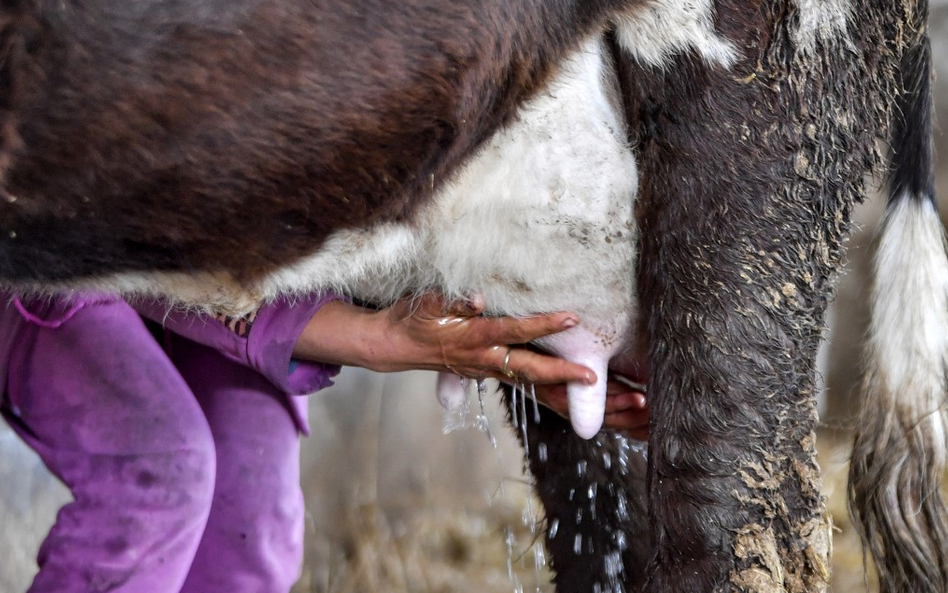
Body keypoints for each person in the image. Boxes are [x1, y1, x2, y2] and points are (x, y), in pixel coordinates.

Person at [0, 290, 647, 593]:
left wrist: (512, 349)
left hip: (218, 248)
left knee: (251, 521)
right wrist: (370, 335)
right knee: (158, 472)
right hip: (47, 219)